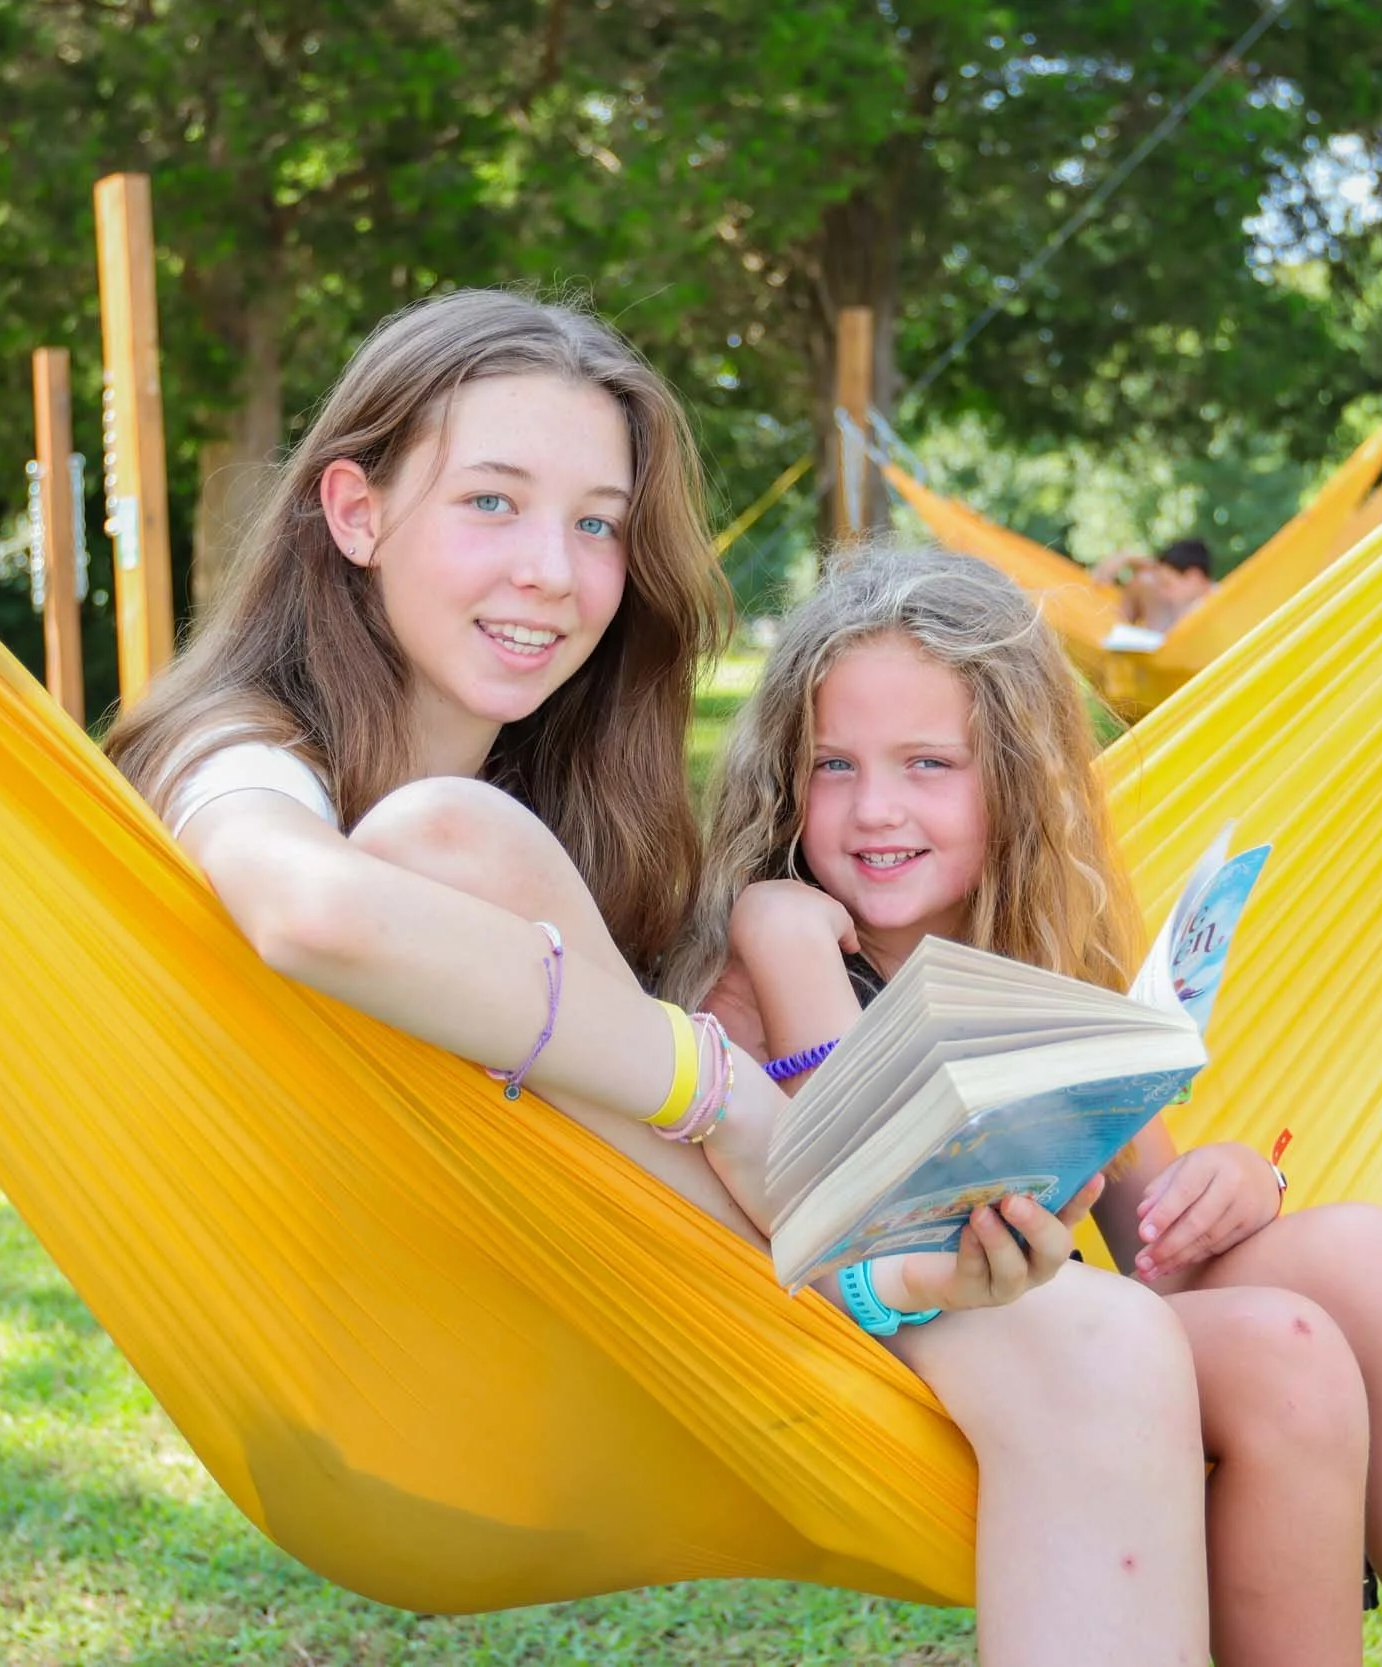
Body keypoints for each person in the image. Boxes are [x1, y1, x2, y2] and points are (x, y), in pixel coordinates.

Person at [104, 291, 1211, 1665]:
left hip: (686, 1269)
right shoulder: (245, 753)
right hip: (428, 1326)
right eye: (492, 502)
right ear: (354, 511)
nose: (555, 573)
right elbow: (312, 907)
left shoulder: (563, 780)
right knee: (439, 841)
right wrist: (731, 1100)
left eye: (597, 522)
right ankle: (895, 1248)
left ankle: (908, 1259)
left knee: (1110, 1350)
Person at [675, 542, 1382, 1667]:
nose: (873, 807)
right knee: (1284, 1351)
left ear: (1017, 778)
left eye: (928, 763)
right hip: (891, 1346)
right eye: (833, 765)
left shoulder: (1034, 946)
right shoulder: (768, 957)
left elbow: (1147, 1242)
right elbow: (860, 1215)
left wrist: (1233, 1185)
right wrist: (784, 949)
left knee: (1370, 1258)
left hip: (1058, 1311)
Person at [1099, 537, 1218, 632]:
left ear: (1194, 578)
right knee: (1143, 581)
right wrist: (1127, 558)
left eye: (1167, 585)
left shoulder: (1218, 606)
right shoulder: (1184, 601)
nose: (1162, 593)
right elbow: (1100, 581)